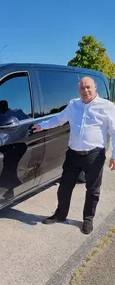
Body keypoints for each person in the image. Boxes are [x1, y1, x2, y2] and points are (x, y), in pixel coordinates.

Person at [32, 76, 115, 234]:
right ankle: (60, 214)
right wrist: (41, 126)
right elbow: (59, 119)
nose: (86, 91)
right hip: (73, 154)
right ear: (79, 90)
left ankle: (88, 219)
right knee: (64, 187)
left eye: (89, 87)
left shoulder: (107, 106)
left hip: (94, 155)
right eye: (82, 88)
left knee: (93, 190)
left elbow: (114, 131)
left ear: (95, 87)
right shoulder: (73, 105)